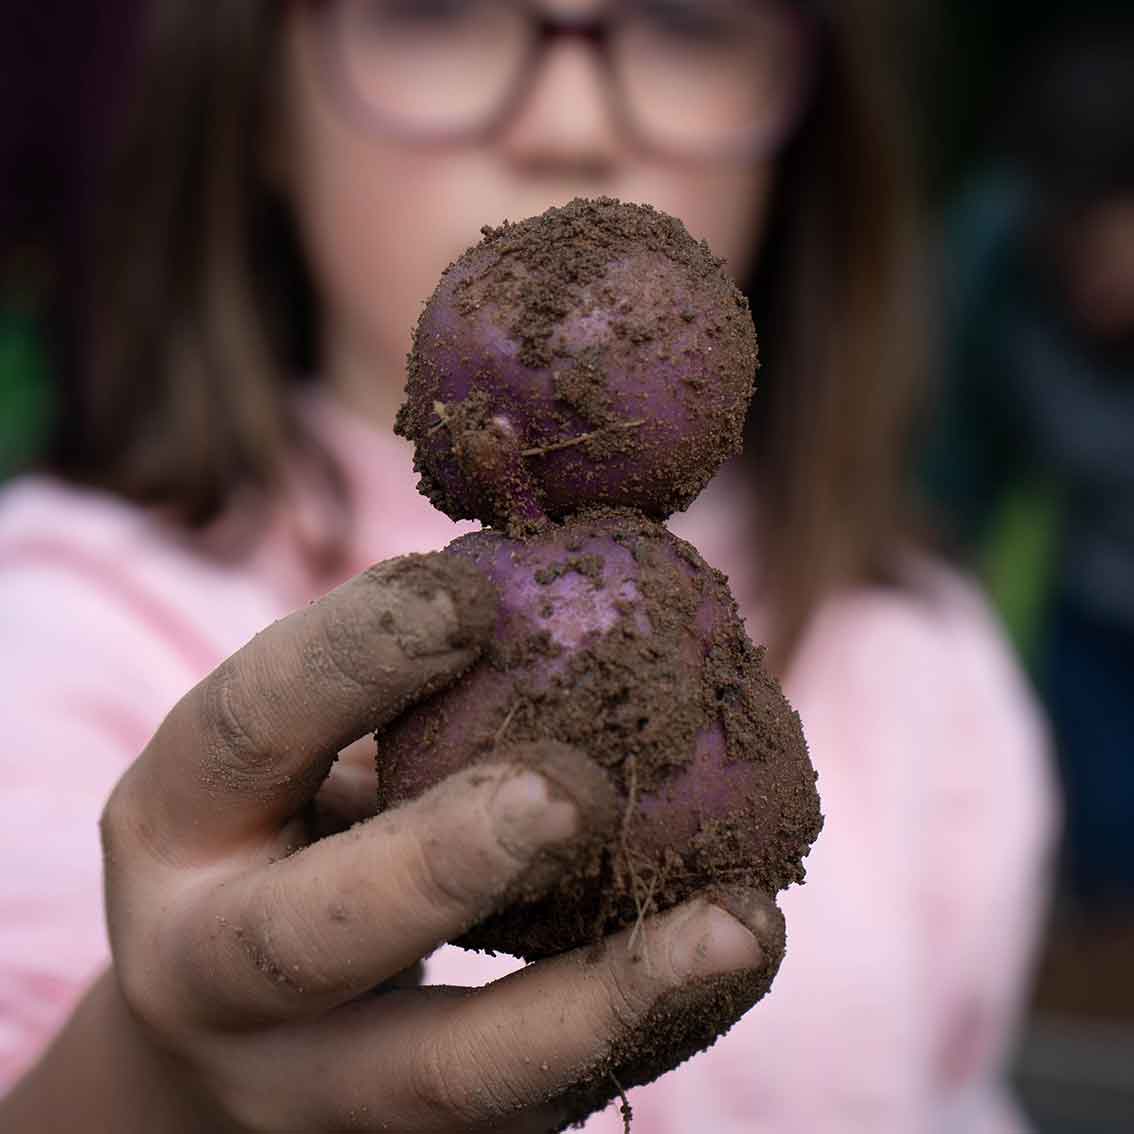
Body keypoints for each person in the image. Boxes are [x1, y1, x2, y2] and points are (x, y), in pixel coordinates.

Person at [0, 2, 1057, 1131]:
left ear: (806, 121)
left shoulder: (924, 663)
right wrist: (150, 1082)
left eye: (688, 22)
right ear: (256, 95)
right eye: (435, 10)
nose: (567, 123)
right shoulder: (53, 639)